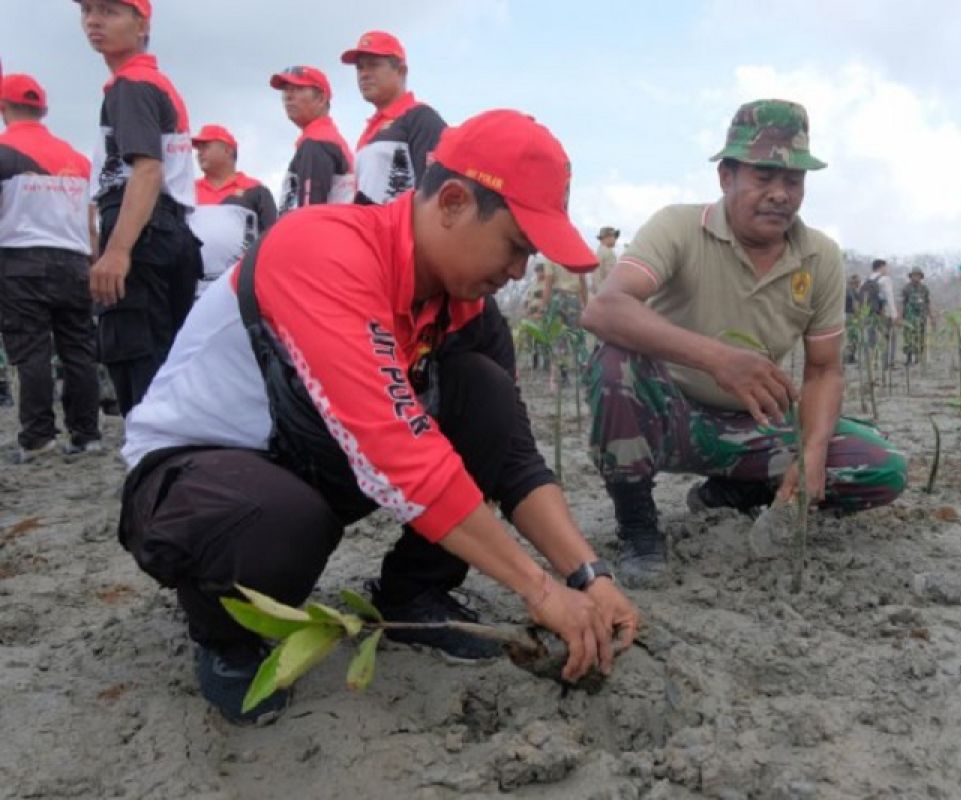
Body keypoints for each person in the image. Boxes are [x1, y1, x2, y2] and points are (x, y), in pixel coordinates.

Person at [117, 109, 640, 726]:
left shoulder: (464, 303)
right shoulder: (324, 250)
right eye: (516, 246)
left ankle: (413, 594)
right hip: (193, 476)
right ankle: (224, 636)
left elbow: (513, 456)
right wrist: (540, 592)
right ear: (451, 202)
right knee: (280, 522)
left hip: (314, 457)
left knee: (485, 391)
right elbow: (402, 457)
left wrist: (587, 576)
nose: (518, 272)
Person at [581, 99, 907, 587]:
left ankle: (730, 493)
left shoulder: (820, 256)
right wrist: (717, 358)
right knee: (615, 362)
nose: (779, 194)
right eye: (763, 177)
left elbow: (823, 369)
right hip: (667, 418)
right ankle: (638, 527)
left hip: (753, 425)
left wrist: (813, 451)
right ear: (726, 176)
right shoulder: (678, 227)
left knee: (878, 467)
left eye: (793, 181)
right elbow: (604, 308)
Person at [77, 0, 203, 416]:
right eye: (88, 11)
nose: (94, 21)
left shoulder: (131, 86)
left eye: (109, 11)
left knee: (140, 367)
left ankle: (154, 470)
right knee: (169, 365)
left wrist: (117, 249)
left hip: (143, 232)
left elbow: (147, 171)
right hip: (167, 231)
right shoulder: (155, 83)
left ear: (141, 23)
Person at [0, 73, 101, 460]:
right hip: (75, 260)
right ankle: (87, 434)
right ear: (42, 109)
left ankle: (39, 437)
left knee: (31, 350)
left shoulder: (5, 149)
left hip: (21, 260)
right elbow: (90, 222)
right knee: (79, 349)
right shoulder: (75, 158)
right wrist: (94, 262)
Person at [341, 31, 447, 206]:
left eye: (373, 65)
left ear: (401, 70)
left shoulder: (421, 118)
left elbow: (434, 196)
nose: (364, 74)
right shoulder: (370, 131)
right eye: (359, 67)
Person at [190, 124, 277, 296]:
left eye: (205, 147)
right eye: (198, 148)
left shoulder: (256, 190)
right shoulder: (187, 191)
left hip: (239, 287)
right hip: (193, 287)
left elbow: (272, 239)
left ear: (227, 150)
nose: (199, 153)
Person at [271, 65, 354, 213]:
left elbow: (310, 214)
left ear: (321, 98)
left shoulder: (317, 142)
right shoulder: (322, 138)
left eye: (297, 89)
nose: (288, 96)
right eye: (286, 90)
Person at [863, 258, 898, 368]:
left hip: (869, 313)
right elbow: (889, 297)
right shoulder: (885, 279)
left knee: (872, 339)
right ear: (881, 267)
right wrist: (894, 315)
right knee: (887, 338)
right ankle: (887, 363)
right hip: (883, 314)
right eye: (885, 267)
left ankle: (872, 363)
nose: (887, 269)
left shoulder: (867, 280)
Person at [900, 268, 933, 366]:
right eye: (914, 275)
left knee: (921, 338)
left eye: (918, 275)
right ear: (911, 277)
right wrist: (900, 317)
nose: (916, 277)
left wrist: (931, 316)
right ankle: (909, 358)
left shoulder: (924, 289)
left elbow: (928, 303)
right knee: (909, 338)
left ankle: (918, 358)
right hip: (909, 317)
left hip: (921, 317)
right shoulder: (906, 288)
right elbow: (902, 303)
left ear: (921, 277)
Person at [592, 226, 620, 294]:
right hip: (607, 293)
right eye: (614, 236)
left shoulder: (598, 252)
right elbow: (611, 277)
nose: (615, 239)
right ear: (607, 237)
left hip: (599, 293)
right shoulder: (609, 253)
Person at [843, 274, 862, 364]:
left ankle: (851, 357)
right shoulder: (850, 292)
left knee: (852, 337)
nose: (858, 284)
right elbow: (855, 306)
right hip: (851, 316)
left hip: (849, 315)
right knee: (852, 337)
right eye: (857, 282)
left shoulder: (850, 291)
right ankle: (848, 357)